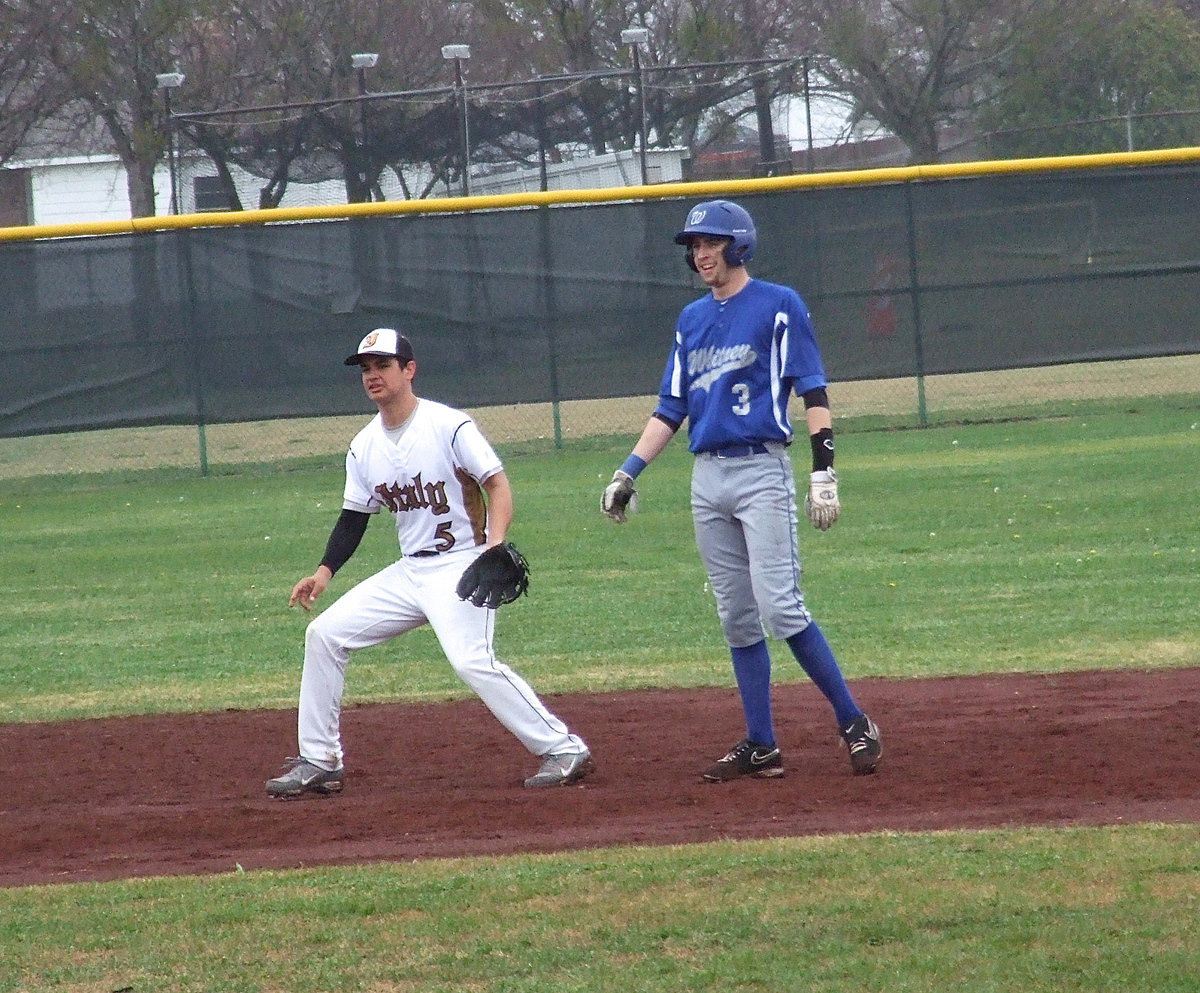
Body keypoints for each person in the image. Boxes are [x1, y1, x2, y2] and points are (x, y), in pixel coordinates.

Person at [601, 199, 881, 781]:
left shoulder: (779, 304)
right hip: (708, 478)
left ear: (739, 245)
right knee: (736, 617)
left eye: (710, 242)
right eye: (694, 246)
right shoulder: (691, 320)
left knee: (781, 606)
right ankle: (762, 744)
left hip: (761, 470)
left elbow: (813, 391)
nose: (701, 253)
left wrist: (823, 470)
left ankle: (854, 720)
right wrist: (628, 471)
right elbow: (671, 408)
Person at [267, 327, 593, 797]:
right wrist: (323, 572)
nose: (372, 375)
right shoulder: (363, 447)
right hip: (410, 571)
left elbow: (497, 485)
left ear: (409, 370)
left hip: (462, 566)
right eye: (365, 368)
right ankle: (320, 760)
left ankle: (564, 748)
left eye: (382, 365)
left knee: (471, 660)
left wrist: (495, 546)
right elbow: (353, 518)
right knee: (324, 635)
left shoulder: (448, 426)